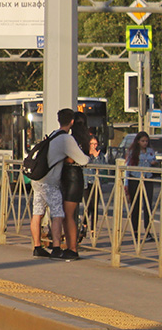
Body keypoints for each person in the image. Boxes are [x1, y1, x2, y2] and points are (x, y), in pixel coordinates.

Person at [30, 108, 91, 260]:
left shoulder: (53, 134)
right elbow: (84, 160)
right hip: (50, 182)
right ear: (71, 122)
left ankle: (37, 246)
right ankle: (56, 248)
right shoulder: (66, 139)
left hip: (38, 179)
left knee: (37, 213)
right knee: (58, 214)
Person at [61, 112, 99, 249]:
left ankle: (71, 247)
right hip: (79, 178)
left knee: (68, 215)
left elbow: (75, 159)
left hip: (70, 177)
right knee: (71, 214)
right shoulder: (86, 139)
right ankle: (72, 245)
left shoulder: (71, 139)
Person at [124, 131, 157, 241]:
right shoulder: (133, 152)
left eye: (146, 141)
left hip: (147, 178)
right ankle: (135, 232)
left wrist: (154, 163)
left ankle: (148, 231)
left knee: (148, 205)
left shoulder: (150, 151)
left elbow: (153, 160)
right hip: (135, 179)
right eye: (143, 141)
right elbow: (127, 167)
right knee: (136, 205)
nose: (145, 143)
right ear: (138, 141)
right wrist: (126, 184)